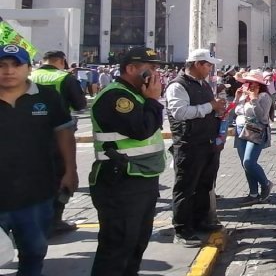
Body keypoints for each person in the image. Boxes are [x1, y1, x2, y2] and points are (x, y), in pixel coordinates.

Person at [89, 47, 166, 276]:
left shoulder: (136, 94)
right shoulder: (117, 96)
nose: (155, 73)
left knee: (136, 244)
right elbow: (140, 129)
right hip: (120, 180)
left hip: (141, 178)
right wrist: (153, 99)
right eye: (150, 68)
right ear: (131, 68)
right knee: (118, 247)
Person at [0, 44, 76, 275]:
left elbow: (63, 133)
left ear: (28, 68)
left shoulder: (47, 96)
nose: (9, 70)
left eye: (16, 64)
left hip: (36, 194)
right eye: (2, 65)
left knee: (33, 255)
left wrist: (70, 170)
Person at [164, 49, 228, 247]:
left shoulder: (204, 84)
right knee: (186, 187)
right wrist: (211, 106)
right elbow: (181, 112)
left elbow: (209, 108)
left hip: (207, 143)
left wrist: (219, 112)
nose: (210, 69)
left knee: (204, 185)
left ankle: (200, 222)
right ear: (198, 64)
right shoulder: (178, 86)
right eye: (208, 65)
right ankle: (182, 228)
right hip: (189, 145)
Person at [30, 50, 87, 235]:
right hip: (58, 133)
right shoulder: (65, 78)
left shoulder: (29, 74)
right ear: (62, 61)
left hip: (28, 133)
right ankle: (54, 220)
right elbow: (80, 105)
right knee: (60, 176)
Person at [233, 69, 274, 205]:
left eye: (253, 83)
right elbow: (235, 111)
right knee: (245, 165)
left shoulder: (264, 97)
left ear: (259, 85)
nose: (250, 85)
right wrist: (237, 98)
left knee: (249, 162)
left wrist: (255, 99)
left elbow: (262, 117)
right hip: (240, 130)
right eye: (248, 83)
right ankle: (253, 193)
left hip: (256, 131)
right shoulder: (245, 95)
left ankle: (266, 183)